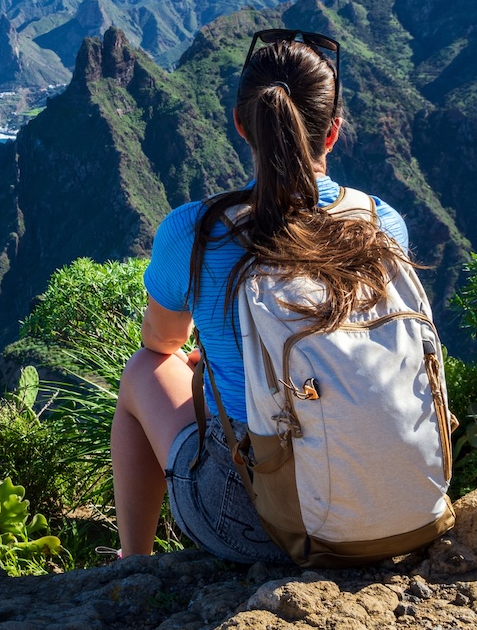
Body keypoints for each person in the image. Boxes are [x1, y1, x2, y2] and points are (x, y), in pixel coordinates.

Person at [110, 28, 414, 561]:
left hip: (256, 521)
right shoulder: (380, 223)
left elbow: (161, 342)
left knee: (143, 370)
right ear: (333, 132)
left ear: (241, 125)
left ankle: (132, 564)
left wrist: (221, 357)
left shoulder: (196, 233)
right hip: (388, 502)